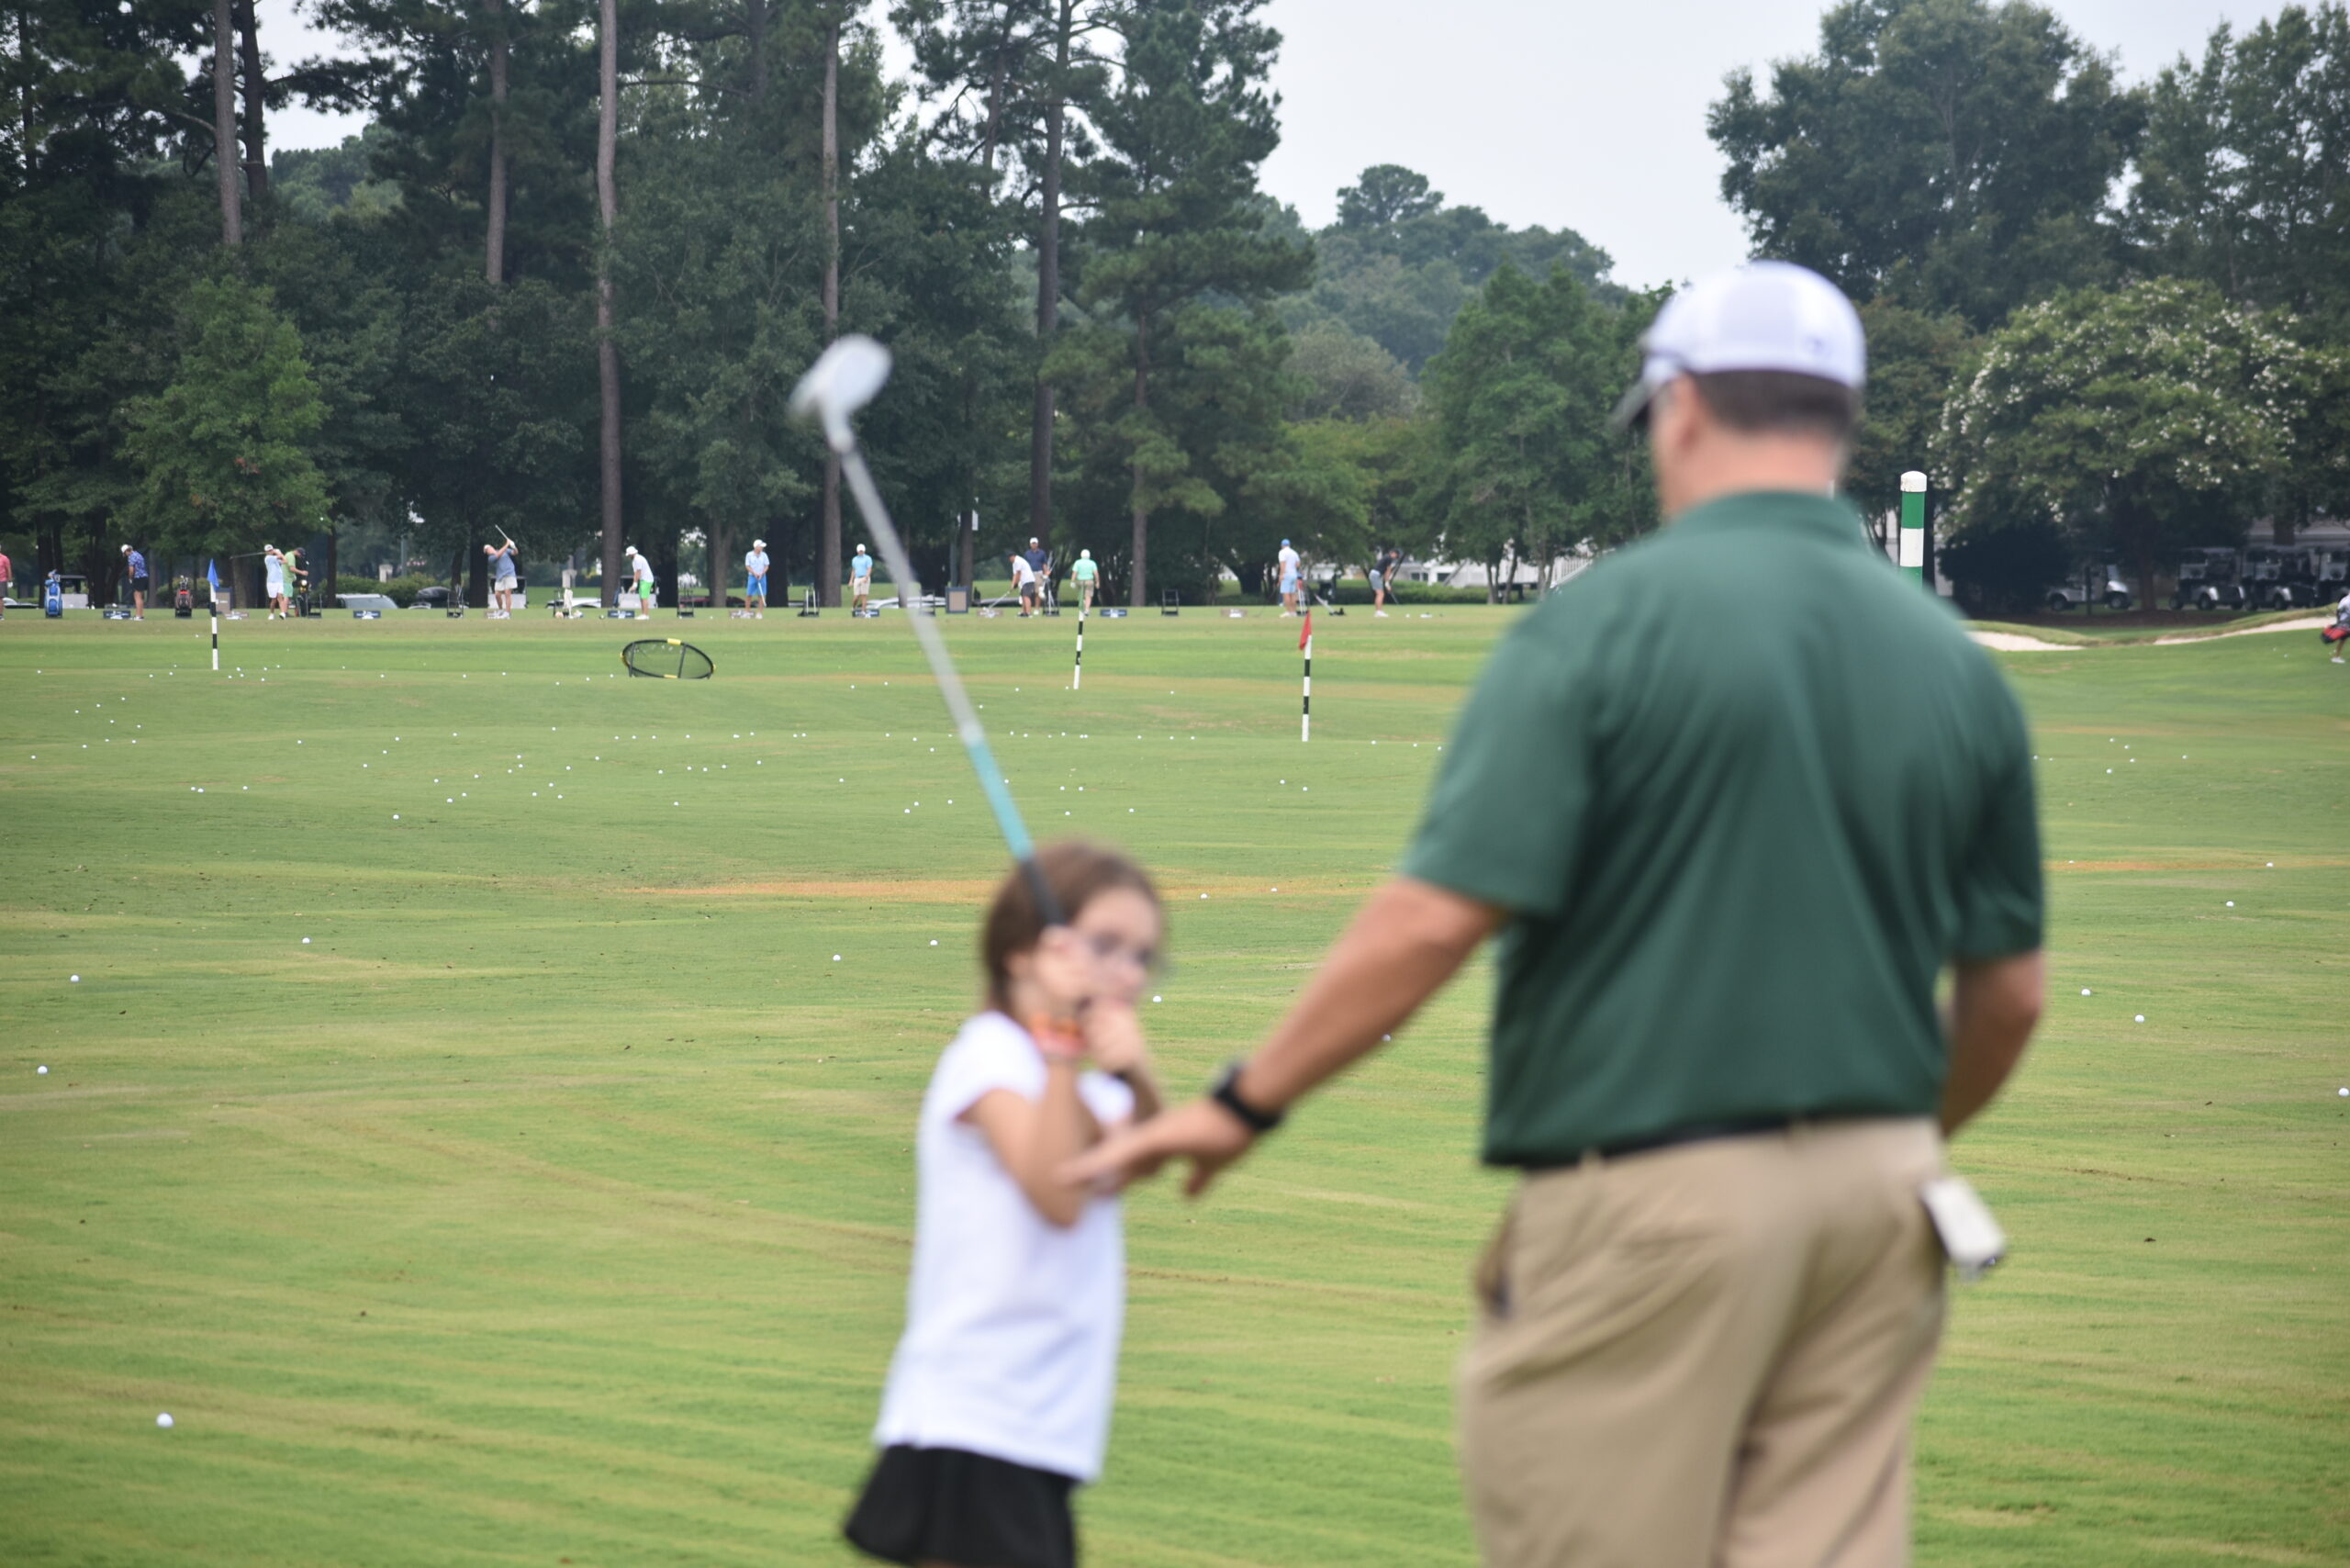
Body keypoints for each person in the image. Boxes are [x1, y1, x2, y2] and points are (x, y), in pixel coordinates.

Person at [1074, 261, 2047, 1568]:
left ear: (1681, 410)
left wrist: (1244, 1103)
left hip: (1655, 1195)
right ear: (1842, 423)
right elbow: (2008, 997)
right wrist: (1891, 1142)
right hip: (1884, 1202)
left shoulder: (1600, 628)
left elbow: (1434, 921)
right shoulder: (1951, 660)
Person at [843, 841, 1166, 1568]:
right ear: (1023, 953)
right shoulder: (991, 1058)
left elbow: (1143, 1157)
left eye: (1143, 955)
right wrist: (1063, 1044)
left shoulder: (1073, 1084)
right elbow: (1057, 1194)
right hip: (978, 1416)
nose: (1127, 971)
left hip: (1039, 1424)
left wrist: (1136, 1072)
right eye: (1105, 945)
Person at [485, 538, 519, 614]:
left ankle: (507, 613)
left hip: (510, 573)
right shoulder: (490, 558)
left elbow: (515, 553)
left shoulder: (505, 550)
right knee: (497, 595)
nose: (488, 551)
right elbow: (498, 555)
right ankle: (500, 610)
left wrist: (513, 546)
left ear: (492, 547)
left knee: (507, 593)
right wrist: (507, 544)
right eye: (486, 551)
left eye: (488, 549)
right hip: (500, 577)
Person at [120, 543, 150, 620]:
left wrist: (130, 578)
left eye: (125, 553)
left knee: (137, 596)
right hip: (144, 576)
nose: (125, 555)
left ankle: (139, 616)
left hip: (138, 577)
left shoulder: (131, 556)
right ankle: (139, 615)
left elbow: (131, 570)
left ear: (127, 551)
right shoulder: (138, 554)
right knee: (139, 596)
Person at [625, 545, 658, 610]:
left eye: (629, 555)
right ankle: (643, 614)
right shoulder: (634, 561)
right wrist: (634, 585)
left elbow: (638, 572)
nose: (628, 556)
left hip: (647, 580)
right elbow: (635, 574)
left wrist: (635, 585)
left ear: (632, 553)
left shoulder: (638, 559)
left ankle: (645, 615)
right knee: (641, 597)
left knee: (644, 598)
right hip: (643, 580)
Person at [745, 539, 771, 618]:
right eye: (761, 546)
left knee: (761, 595)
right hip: (752, 577)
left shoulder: (764, 555)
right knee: (749, 594)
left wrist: (762, 573)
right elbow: (747, 566)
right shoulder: (749, 555)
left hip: (762, 577)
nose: (762, 548)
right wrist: (754, 573)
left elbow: (766, 566)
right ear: (756, 547)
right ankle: (747, 612)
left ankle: (759, 613)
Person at [1371, 546, 1401, 617]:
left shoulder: (1386, 557)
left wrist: (1386, 583)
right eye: (1396, 556)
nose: (1395, 558)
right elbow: (1388, 571)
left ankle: (1378, 611)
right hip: (1376, 575)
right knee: (1380, 594)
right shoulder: (1389, 558)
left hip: (1375, 575)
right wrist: (1387, 583)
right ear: (1393, 553)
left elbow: (1385, 573)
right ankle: (1378, 612)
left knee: (1380, 594)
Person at [1009, 548, 1037, 617]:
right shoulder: (1014, 563)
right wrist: (1013, 585)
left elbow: (1018, 574)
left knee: (1026, 596)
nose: (1009, 560)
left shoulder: (1017, 561)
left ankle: (1028, 613)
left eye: (1010, 558)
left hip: (1028, 580)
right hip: (1024, 581)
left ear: (1013, 556)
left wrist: (1015, 584)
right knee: (1023, 596)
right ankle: (1024, 612)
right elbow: (1015, 574)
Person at [263, 545, 289, 618]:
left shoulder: (275, 559)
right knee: (274, 599)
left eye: (271, 550)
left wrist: (277, 552)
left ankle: (282, 613)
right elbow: (280, 556)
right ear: (266, 552)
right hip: (272, 582)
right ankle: (272, 614)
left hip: (279, 581)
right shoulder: (268, 558)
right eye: (269, 550)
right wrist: (277, 552)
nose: (271, 551)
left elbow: (285, 561)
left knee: (280, 597)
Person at [1276, 539, 1302, 616]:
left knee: (1286, 594)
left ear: (1282, 545)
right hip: (1294, 574)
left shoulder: (1282, 552)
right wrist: (1292, 568)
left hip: (1286, 574)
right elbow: (1298, 564)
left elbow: (1282, 564)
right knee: (1293, 594)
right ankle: (1294, 612)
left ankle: (1289, 612)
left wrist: (1281, 575)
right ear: (1289, 545)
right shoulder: (1294, 552)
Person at [1069, 549, 1098, 614]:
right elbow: (1096, 573)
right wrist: (1097, 581)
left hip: (1080, 581)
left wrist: (1072, 581)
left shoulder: (1078, 562)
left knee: (1081, 595)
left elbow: (1075, 573)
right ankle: (1087, 609)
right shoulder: (1092, 563)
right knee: (1088, 595)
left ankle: (1083, 602)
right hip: (1089, 581)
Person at [851, 543, 874, 611]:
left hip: (865, 578)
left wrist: (866, 577)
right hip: (857, 579)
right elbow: (853, 570)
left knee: (863, 595)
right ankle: (853, 607)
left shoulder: (868, 558)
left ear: (864, 551)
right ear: (857, 551)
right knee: (856, 596)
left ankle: (863, 611)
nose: (861, 552)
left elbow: (869, 568)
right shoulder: (854, 559)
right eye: (860, 551)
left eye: (862, 551)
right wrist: (851, 580)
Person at [0, 542, 13, 619]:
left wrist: (10, 580)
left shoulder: (4, 558)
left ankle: (0, 615)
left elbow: (8, 569)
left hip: (1, 580)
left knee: (0, 598)